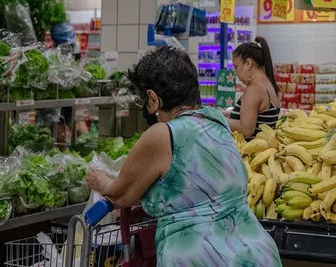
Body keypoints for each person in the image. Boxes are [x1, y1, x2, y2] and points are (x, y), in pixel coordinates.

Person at [85, 47, 282, 267]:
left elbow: (121, 195)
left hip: (202, 257)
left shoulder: (162, 134)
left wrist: (98, 178)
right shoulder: (216, 119)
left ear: (153, 98)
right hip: (257, 252)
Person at [229, 37, 281, 140]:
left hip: (248, 152)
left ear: (248, 63)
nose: (236, 73)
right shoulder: (270, 85)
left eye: (236, 67)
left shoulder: (255, 90)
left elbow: (246, 130)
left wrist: (218, 118)